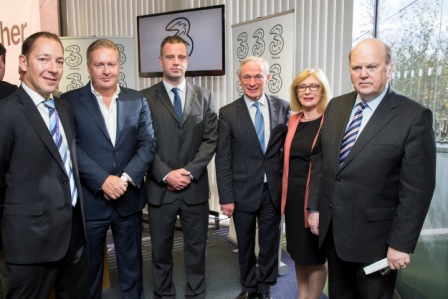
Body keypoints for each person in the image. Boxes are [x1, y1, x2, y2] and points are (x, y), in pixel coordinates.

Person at [307, 38, 436, 299]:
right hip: (335, 234)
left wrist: (400, 244)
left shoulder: (413, 116)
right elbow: (322, 160)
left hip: (377, 243)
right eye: (356, 68)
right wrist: (315, 207)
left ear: (389, 70)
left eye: (372, 67)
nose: (363, 74)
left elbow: (417, 189)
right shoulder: (337, 106)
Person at [62, 39, 156, 299]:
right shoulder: (69, 101)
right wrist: (103, 180)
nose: (106, 70)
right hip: (91, 201)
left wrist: (124, 179)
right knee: (88, 271)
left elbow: (148, 144)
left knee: (132, 269)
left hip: (128, 199)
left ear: (119, 66)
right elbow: (72, 148)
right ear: (89, 67)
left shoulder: (136, 99)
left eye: (111, 64)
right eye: (99, 64)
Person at [0, 31, 89, 298]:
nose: (53, 69)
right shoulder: (5, 113)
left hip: (73, 236)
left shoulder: (64, 109)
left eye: (60, 61)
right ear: (24, 63)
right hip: (28, 243)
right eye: (44, 59)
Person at [141, 35, 218, 299]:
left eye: (181, 57)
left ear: (188, 61)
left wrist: (189, 172)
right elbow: (143, 143)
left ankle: (196, 295)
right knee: (160, 251)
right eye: (170, 57)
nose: (176, 62)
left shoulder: (205, 96)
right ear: (160, 60)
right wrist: (165, 174)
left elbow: (210, 140)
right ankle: (164, 295)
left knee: (197, 250)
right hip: (160, 189)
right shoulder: (144, 99)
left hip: (193, 188)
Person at [215, 56, 290, 299]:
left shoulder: (283, 107)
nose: (252, 81)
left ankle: (265, 286)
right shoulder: (227, 113)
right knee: (245, 245)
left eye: (258, 76)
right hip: (242, 191)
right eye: (246, 76)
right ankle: (248, 287)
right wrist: (226, 197)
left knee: (270, 244)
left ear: (267, 78)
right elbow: (223, 158)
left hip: (272, 191)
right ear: (239, 79)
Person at [281, 68, 331, 299]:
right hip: (292, 199)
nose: (308, 91)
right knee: (298, 254)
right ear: (296, 92)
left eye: (314, 86)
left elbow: (326, 169)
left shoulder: (330, 122)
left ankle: (312, 297)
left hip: (315, 201)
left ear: (322, 91)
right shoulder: (292, 120)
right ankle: (302, 295)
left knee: (316, 257)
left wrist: (316, 209)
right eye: (302, 87)